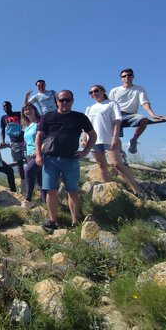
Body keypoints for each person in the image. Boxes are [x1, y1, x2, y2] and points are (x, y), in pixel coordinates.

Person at [35, 90, 97, 232]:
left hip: (71, 159)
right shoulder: (48, 117)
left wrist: (85, 152)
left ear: (72, 101)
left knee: (72, 190)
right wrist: (38, 155)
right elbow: (38, 137)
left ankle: (75, 222)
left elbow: (93, 135)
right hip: (50, 159)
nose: (64, 102)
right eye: (61, 100)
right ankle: (53, 221)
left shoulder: (80, 117)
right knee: (51, 191)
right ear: (56, 101)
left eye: (67, 100)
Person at [82, 85, 142, 195]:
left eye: (96, 91)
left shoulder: (112, 104)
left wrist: (115, 137)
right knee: (101, 165)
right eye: (91, 92)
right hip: (94, 140)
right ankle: (109, 191)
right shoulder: (89, 108)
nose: (94, 93)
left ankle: (136, 190)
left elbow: (117, 122)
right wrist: (84, 138)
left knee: (117, 164)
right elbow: (86, 125)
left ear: (103, 91)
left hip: (108, 138)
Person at [108, 68, 163, 154]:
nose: (126, 77)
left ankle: (134, 140)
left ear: (133, 76)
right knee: (114, 136)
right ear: (121, 79)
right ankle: (121, 153)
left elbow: (144, 103)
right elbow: (109, 105)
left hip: (131, 115)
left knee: (143, 119)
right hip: (116, 115)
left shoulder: (139, 89)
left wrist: (152, 115)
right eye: (124, 76)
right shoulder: (114, 90)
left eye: (129, 75)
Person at [20, 104, 47, 208]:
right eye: (25, 110)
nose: (27, 111)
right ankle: (46, 204)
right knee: (39, 180)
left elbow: (46, 138)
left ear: (34, 110)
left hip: (39, 153)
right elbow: (27, 142)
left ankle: (28, 199)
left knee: (28, 171)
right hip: (29, 154)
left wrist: (38, 152)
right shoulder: (27, 126)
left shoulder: (40, 122)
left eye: (29, 109)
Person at [0, 101, 26, 193]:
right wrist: (3, 141)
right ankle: (23, 184)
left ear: (11, 106)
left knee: (30, 161)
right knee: (19, 164)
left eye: (7, 105)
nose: (6, 107)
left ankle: (36, 182)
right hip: (13, 143)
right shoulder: (3, 118)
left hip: (24, 140)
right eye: (4, 106)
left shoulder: (18, 114)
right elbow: (2, 130)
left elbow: (26, 122)